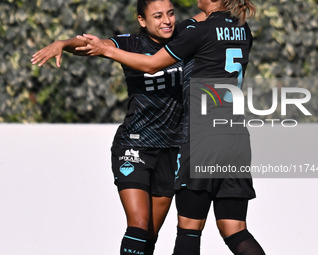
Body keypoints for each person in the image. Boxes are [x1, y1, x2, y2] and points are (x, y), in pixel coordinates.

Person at [74, 0, 266, 254]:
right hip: (236, 137)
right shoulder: (243, 29)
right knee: (236, 229)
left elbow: (152, 64)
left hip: (201, 137)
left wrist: (105, 49)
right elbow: (209, 23)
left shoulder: (199, 32)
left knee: (189, 231)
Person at [31, 1, 205, 254]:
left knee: (149, 237)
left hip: (172, 148)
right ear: (142, 21)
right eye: (157, 16)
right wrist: (63, 44)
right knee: (137, 226)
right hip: (134, 144)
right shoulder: (131, 43)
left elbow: (211, 12)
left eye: (170, 13)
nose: (166, 20)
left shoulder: (183, 37)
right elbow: (90, 45)